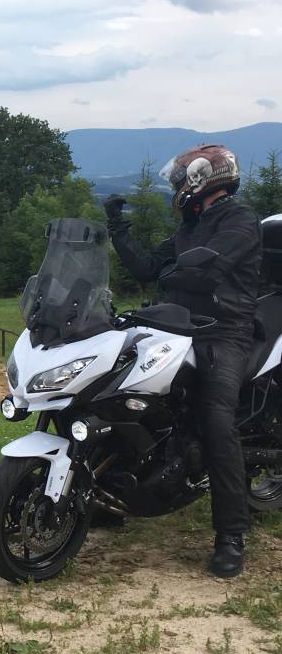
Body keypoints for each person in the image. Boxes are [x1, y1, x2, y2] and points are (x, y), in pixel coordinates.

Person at [104, 143, 261, 579]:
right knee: (122, 394)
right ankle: (106, 496)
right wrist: (117, 228)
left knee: (216, 421)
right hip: (176, 328)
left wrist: (171, 276)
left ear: (201, 179)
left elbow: (206, 272)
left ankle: (231, 535)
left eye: (179, 181)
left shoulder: (240, 220)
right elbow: (148, 269)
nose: (176, 189)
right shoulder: (189, 227)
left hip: (224, 332)